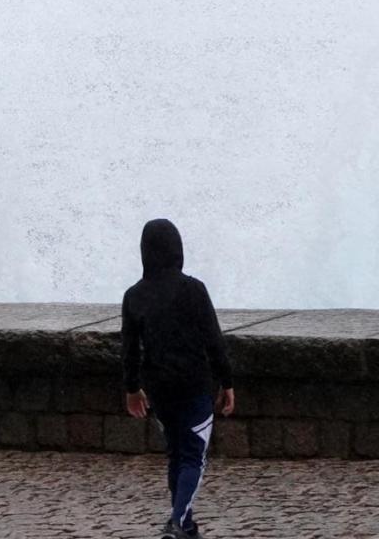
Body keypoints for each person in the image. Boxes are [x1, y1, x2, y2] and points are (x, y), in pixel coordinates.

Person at [121, 219, 236, 539]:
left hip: (159, 391)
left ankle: (184, 524)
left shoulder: (134, 296)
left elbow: (129, 349)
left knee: (176, 454)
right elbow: (213, 340)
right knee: (193, 457)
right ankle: (178, 522)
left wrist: (132, 388)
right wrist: (227, 382)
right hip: (194, 386)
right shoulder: (193, 290)